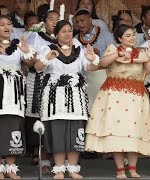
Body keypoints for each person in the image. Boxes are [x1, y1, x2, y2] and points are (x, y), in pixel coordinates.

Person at [85, 24, 150, 179]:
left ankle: (132, 168)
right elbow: (102, 64)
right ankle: (120, 169)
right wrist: (119, 53)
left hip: (136, 97)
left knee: (133, 132)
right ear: (119, 38)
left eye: (133, 35)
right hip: (115, 96)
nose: (132, 38)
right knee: (116, 132)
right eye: (128, 35)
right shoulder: (112, 49)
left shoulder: (142, 52)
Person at [34, 20, 100, 179]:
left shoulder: (80, 50)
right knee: (58, 131)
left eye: (69, 30)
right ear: (56, 34)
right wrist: (47, 58)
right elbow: (37, 67)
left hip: (76, 97)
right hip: (55, 97)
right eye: (63, 31)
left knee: (75, 131)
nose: (67, 34)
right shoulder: (48, 49)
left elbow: (90, 68)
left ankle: (73, 168)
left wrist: (92, 58)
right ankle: (59, 169)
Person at [0, 15, 38, 179]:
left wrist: (26, 51)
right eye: (1, 25)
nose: (6, 27)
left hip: (14, 93)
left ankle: (11, 168)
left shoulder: (17, 46)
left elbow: (32, 64)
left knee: (13, 126)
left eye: (8, 24)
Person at [25, 7, 60, 172]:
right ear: (44, 22)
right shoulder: (35, 37)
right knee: (38, 117)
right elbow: (28, 61)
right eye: (51, 19)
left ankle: (57, 156)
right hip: (38, 80)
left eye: (57, 18)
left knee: (55, 118)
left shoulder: (66, 38)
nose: (55, 22)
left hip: (57, 83)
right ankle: (41, 155)